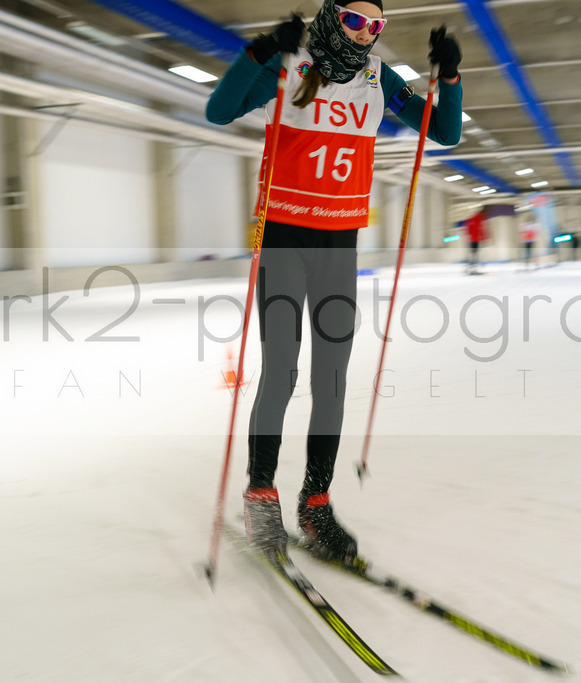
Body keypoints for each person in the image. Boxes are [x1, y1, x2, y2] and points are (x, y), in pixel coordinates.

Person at [206, 0, 463, 562]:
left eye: (377, 26)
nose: (365, 33)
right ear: (330, 16)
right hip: (283, 238)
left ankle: (315, 502)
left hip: (338, 245)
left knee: (333, 379)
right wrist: (261, 51)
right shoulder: (290, 63)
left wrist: (450, 78)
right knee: (280, 371)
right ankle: (261, 491)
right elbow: (219, 110)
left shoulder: (377, 76)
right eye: (354, 19)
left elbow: (443, 133)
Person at [465, 209, 487, 274]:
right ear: (482, 213)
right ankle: (472, 269)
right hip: (474, 239)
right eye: (484, 215)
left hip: (473, 239)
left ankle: (471, 268)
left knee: (474, 254)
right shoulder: (477, 218)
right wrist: (483, 238)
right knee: (474, 254)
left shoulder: (474, 217)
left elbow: (470, 228)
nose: (484, 216)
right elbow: (480, 229)